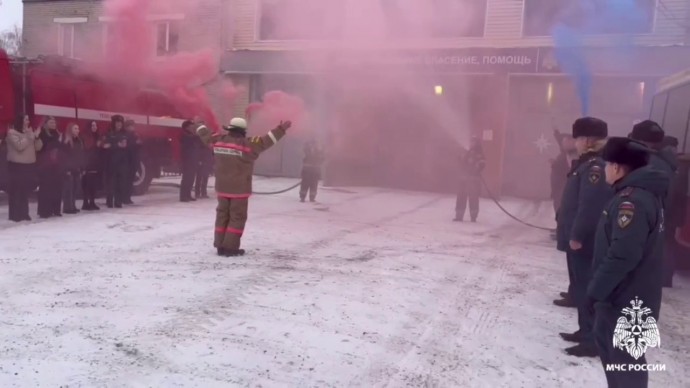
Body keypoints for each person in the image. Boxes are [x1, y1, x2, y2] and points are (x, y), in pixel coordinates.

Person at [588, 137, 666, 388]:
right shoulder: (639, 196)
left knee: (625, 364)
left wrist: (595, 291)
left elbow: (623, 255)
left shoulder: (631, 202)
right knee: (618, 361)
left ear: (619, 168)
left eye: (607, 164)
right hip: (626, 296)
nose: (604, 169)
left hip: (626, 299)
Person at [555, 117, 613, 358]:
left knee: (588, 288)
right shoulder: (586, 164)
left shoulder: (595, 168)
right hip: (574, 236)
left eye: (577, 138)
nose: (574, 142)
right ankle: (584, 330)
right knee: (579, 288)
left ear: (588, 140)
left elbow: (589, 206)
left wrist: (577, 235)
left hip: (584, 240)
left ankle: (592, 340)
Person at [196, 117, 292, 257]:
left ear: (230, 129)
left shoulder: (218, 140)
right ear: (242, 131)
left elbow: (205, 135)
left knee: (222, 216)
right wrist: (281, 129)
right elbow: (267, 140)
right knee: (237, 217)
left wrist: (198, 125)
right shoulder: (248, 145)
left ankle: (220, 246)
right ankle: (230, 248)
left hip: (222, 187)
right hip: (239, 189)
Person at [628, 120, 677, 288]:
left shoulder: (644, 161)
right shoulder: (666, 161)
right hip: (662, 212)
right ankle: (664, 278)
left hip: (644, 215)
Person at [6, 115, 42, 222]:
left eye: (28, 119)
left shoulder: (29, 133)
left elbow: (38, 147)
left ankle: (24, 213)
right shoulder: (12, 132)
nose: (28, 121)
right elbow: (19, 146)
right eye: (26, 119)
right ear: (20, 120)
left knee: (25, 191)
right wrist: (30, 136)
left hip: (28, 166)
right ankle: (15, 215)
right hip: (17, 166)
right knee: (16, 191)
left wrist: (37, 137)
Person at [36, 116, 64, 218]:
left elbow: (60, 148)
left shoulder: (57, 134)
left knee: (57, 188)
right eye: (51, 123)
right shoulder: (43, 133)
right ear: (46, 124)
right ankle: (44, 211)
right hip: (45, 165)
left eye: (54, 123)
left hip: (56, 165)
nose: (53, 124)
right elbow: (46, 147)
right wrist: (58, 142)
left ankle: (55, 209)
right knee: (46, 188)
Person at [454, 136, 485, 222]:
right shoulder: (465, 152)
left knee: (473, 198)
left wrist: (478, 166)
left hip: (473, 179)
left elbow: (482, 163)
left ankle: (473, 217)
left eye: (473, 142)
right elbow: (459, 161)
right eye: (471, 142)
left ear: (476, 143)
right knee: (461, 197)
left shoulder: (479, 153)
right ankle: (459, 216)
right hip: (463, 179)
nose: (471, 144)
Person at [103, 115, 129, 208]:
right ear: (114, 123)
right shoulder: (109, 133)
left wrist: (113, 145)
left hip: (121, 162)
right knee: (110, 182)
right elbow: (105, 145)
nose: (119, 124)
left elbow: (125, 145)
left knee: (120, 182)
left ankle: (118, 201)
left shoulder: (124, 133)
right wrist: (117, 144)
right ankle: (109, 201)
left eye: (121, 123)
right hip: (111, 161)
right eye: (117, 123)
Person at [61, 123, 85, 214]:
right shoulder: (67, 141)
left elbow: (81, 155)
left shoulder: (79, 140)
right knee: (68, 188)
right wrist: (66, 169)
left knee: (75, 188)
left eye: (78, 128)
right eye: (75, 128)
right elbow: (64, 156)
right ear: (70, 130)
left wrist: (82, 168)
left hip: (77, 167)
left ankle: (73, 205)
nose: (77, 130)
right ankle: (67, 207)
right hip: (69, 168)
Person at [82, 121, 102, 211]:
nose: (95, 127)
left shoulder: (98, 135)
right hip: (88, 163)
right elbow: (86, 148)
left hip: (96, 162)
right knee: (87, 184)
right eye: (93, 125)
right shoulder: (85, 136)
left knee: (93, 184)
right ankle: (86, 203)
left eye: (96, 125)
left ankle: (92, 202)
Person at [123, 119, 141, 205]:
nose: (132, 127)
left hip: (133, 160)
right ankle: (125, 197)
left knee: (130, 180)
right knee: (126, 180)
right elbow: (127, 147)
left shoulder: (135, 135)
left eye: (133, 126)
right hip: (127, 160)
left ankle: (128, 197)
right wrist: (135, 143)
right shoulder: (125, 135)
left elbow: (139, 145)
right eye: (130, 126)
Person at [194, 116, 213, 199]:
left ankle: (203, 192)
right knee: (199, 176)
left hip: (207, 159)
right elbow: (198, 150)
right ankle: (198, 192)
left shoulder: (207, 137)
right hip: (201, 160)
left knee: (205, 176)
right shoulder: (198, 138)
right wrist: (199, 160)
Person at [180, 120, 199, 202]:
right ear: (187, 127)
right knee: (186, 179)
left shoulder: (191, 135)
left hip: (193, 160)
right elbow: (189, 141)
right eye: (191, 126)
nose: (193, 128)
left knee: (191, 178)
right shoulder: (185, 135)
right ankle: (183, 196)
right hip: (187, 161)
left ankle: (188, 194)